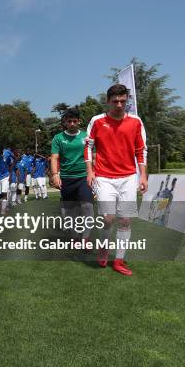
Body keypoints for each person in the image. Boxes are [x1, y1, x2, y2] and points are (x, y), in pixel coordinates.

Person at [85, 84, 148, 276]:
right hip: (103, 177)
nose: (119, 105)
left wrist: (143, 175)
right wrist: (90, 171)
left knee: (125, 220)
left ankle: (119, 260)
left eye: (123, 100)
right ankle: (103, 247)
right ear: (108, 101)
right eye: (115, 101)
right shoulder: (97, 121)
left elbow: (141, 150)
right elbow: (88, 147)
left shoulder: (136, 122)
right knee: (108, 218)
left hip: (129, 177)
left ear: (127, 100)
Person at [51, 108, 94, 242]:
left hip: (83, 177)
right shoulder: (58, 138)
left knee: (88, 206)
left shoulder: (86, 136)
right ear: (65, 122)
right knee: (70, 211)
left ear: (79, 122)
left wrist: (93, 173)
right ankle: (75, 237)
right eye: (69, 121)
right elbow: (54, 158)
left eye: (75, 121)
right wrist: (55, 175)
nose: (72, 124)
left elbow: (94, 156)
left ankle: (85, 238)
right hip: (67, 178)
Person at [0, 144, 14, 215]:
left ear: (3, 150)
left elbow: (12, 162)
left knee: (4, 193)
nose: (0, 152)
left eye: (1, 151)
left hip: (6, 176)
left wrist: (10, 175)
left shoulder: (7, 153)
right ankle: (0, 204)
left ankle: (3, 210)